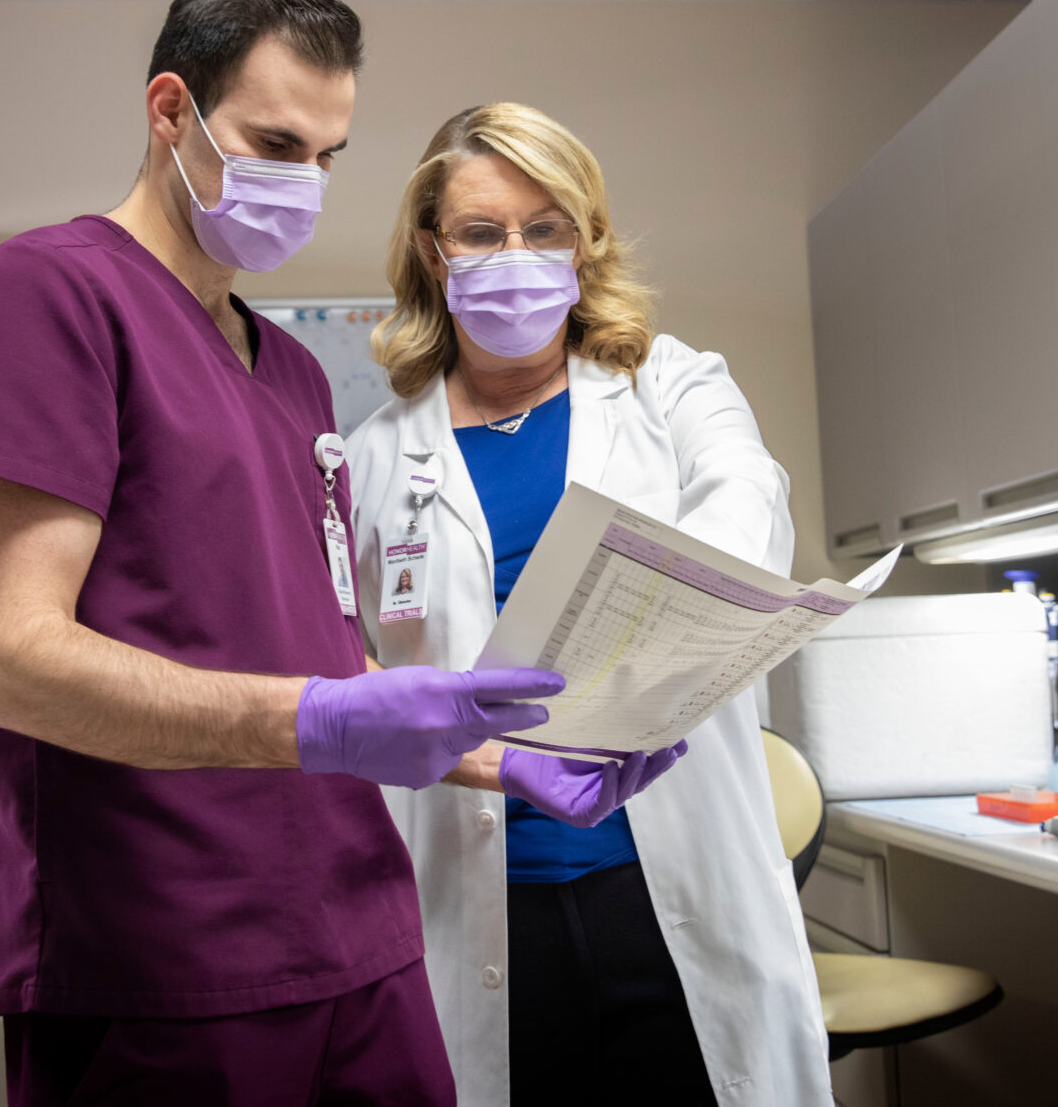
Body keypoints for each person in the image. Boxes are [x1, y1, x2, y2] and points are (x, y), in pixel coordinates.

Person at [0, 0, 575, 1107]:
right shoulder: (40, 300)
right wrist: (321, 719)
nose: (303, 183)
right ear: (170, 110)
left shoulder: (299, 377)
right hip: (162, 958)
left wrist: (502, 759)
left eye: (326, 157)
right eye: (273, 144)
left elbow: (311, 660)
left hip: (358, 930)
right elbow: (15, 662)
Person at [346, 103, 835, 1107]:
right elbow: (345, 675)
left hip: (663, 892)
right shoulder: (373, 459)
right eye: (481, 232)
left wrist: (663, 637)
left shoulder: (670, 388)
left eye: (545, 227)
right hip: (476, 904)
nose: (513, 254)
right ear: (434, 251)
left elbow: (749, 505)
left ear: (584, 243)